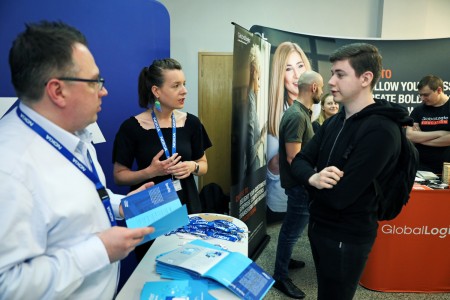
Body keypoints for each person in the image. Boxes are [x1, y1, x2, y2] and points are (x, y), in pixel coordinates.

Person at [0, 21, 154, 299]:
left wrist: (124, 205)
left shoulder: (76, 135)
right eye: (95, 81)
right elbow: (7, 286)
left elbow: (87, 199)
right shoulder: (10, 169)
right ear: (57, 91)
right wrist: (99, 251)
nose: (103, 90)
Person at [291, 43, 411, 300]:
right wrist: (313, 177)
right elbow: (299, 160)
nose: (331, 81)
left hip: (347, 236)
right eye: (332, 73)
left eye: (340, 74)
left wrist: (306, 182)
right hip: (319, 227)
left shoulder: (381, 130)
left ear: (366, 78)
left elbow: (339, 197)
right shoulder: (335, 121)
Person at [112, 58, 212, 261]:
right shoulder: (131, 128)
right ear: (156, 91)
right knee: (151, 267)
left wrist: (191, 166)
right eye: (176, 86)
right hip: (151, 211)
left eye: (184, 84)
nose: (184, 91)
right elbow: (119, 177)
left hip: (188, 206)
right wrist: (150, 172)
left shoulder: (191, 123)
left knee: (190, 262)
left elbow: (204, 165)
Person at [273, 71, 323, 299]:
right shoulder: (296, 116)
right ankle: (280, 276)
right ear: (313, 88)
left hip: (301, 184)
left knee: (292, 230)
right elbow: (294, 157)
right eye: (321, 88)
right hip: (299, 185)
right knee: (291, 232)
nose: (323, 92)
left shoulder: (301, 112)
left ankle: (286, 259)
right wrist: (313, 180)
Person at [266, 41, 312, 224]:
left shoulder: (318, 109)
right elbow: (269, 171)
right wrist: (280, 160)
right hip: (283, 203)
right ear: (280, 75)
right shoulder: (274, 117)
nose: (297, 75)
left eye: (300, 66)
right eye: (288, 69)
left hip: (315, 199)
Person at [406, 75, 450, 174]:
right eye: (420, 95)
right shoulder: (418, 110)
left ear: (439, 90)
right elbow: (410, 135)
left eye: (426, 95)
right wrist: (441, 133)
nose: (422, 98)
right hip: (420, 168)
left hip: (447, 169)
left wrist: (421, 139)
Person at [245, 43, 266, 175]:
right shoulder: (249, 99)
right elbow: (249, 153)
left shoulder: (249, 96)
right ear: (254, 71)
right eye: (259, 78)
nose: (259, 83)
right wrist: (262, 137)